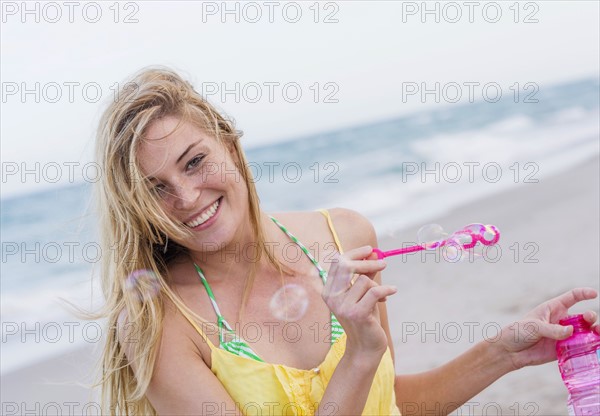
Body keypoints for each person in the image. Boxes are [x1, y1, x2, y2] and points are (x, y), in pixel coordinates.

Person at [94, 66, 599, 415]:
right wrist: (358, 353)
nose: (185, 196)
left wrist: (506, 353)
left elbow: (391, 406)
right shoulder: (157, 325)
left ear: (228, 141)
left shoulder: (347, 235)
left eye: (194, 161)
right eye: (155, 189)